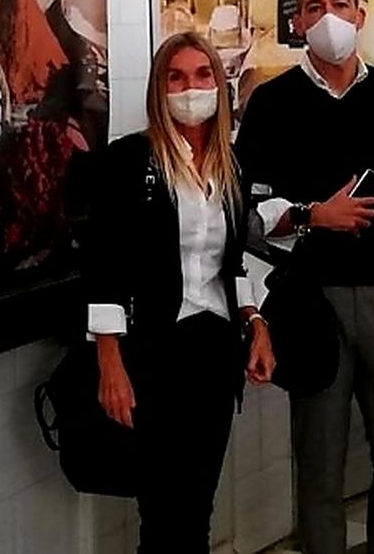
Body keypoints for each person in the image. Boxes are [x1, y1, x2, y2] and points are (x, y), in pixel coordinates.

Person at [236, 0, 374, 554]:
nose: (328, 17)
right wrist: (310, 215)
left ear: (360, 15)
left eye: (340, 4)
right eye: (313, 7)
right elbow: (248, 214)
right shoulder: (271, 103)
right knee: (320, 463)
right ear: (296, 23)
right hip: (309, 301)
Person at [85, 32, 277, 554]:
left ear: (219, 84)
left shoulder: (231, 166)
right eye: (176, 77)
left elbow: (234, 257)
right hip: (152, 351)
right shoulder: (128, 162)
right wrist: (109, 361)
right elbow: (104, 261)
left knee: (197, 504)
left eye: (201, 75)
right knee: (163, 510)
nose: (189, 87)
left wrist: (255, 322)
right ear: (158, 89)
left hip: (214, 349)